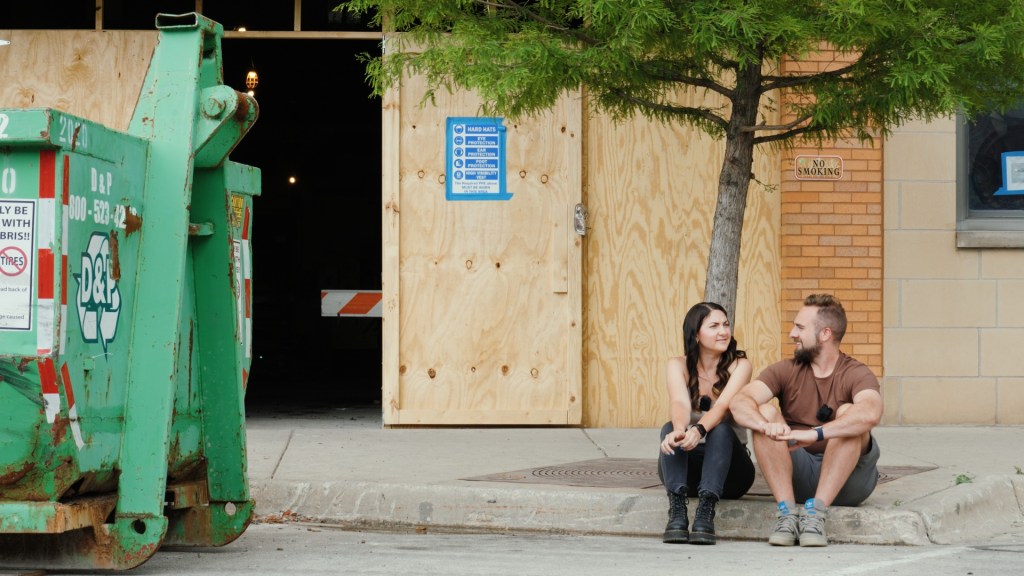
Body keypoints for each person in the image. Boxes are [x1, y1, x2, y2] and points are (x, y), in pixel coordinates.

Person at [730, 294, 883, 548]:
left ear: (825, 334)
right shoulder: (786, 370)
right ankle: (787, 514)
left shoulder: (856, 373)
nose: (792, 334)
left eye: (800, 328)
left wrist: (816, 433)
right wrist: (765, 425)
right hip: (797, 475)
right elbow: (740, 401)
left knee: (850, 413)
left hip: (849, 483)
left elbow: (870, 412)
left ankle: (816, 514)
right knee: (764, 412)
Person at [658, 302, 756, 545]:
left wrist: (699, 429)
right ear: (696, 335)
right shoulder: (678, 365)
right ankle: (677, 512)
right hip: (690, 470)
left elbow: (722, 408)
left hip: (731, 471)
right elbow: (679, 403)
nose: (723, 331)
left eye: (726, 324)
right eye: (714, 326)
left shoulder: (740, 365)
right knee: (668, 428)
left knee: (720, 430)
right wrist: (679, 430)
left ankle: (705, 512)